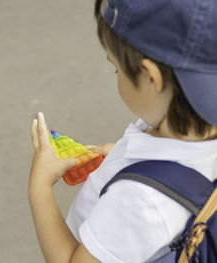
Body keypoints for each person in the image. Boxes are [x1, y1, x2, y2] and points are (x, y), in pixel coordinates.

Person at [28, 0, 217, 262]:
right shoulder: (194, 129)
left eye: (116, 68)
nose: (116, 74)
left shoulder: (139, 200)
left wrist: (40, 187)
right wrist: (123, 158)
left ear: (151, 77)